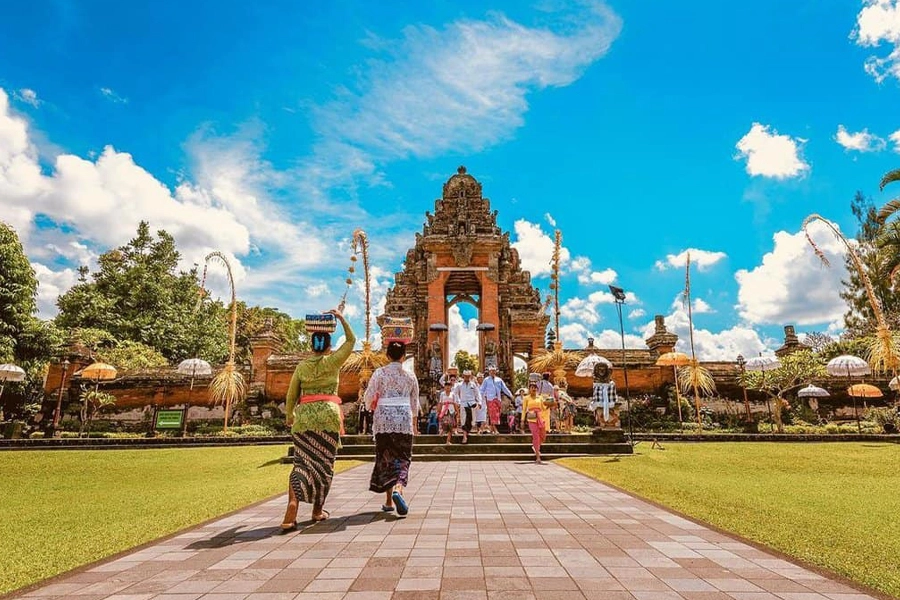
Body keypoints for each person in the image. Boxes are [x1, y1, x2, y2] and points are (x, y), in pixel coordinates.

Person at [281, 309, 354, 531]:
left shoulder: (302, 366)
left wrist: (289, 415)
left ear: (312, 346)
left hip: (304, 418)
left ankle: (292, 506)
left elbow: (291, 395)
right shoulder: (333, 362)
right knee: (324, 465)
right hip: (328, 417)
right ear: (329, 346)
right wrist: (340, 318)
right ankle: (316, 510)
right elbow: (351, 340)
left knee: (301, 463)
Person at [364, 317, 419, 516]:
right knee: (403, 458)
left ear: (387, 355)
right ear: (404, 356)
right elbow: (414, 403)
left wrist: (372, 407)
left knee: (386, 458)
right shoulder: (410, 375)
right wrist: (414, 424)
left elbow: (369, 396)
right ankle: (397, 491)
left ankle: (389, 501)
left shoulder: (379, 373)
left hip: (383, 420)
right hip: (403, 419)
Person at [480, 365, 513, 434]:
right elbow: (482, 390)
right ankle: (495, 429)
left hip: (497, 399)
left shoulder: (499, 380)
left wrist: (510, 395)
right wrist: (479, 398)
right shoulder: (486, 380)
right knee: (492, 414)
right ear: (489, 372)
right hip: (490, 399)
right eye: (491, 371)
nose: (492, 372)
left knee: (497, 414)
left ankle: (491, 429)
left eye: (494, 371)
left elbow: (504, 388)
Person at [453, 370, 482, 444]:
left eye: (468, 376)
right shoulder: (459, 385)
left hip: (472, 403)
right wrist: (458, 402)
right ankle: (464, 436)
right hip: (463, 404)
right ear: (463, 376)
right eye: (466, 376)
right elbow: (455, 393)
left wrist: (479, 402)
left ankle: (467, 433)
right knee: (464, 420)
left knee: (471, 420)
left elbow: (477, 393)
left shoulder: (473, 384)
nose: (467, 377)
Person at [521, 380, 546, 463]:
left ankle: (535, 447)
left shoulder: (540, 398)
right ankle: (538, 456)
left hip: (540, 418)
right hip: (531, 419)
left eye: (535, 387)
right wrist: (522, 420)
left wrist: (550, 405)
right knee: (536, 436)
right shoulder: (526, 398)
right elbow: (524, 410)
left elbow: (543, 408)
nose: (533, 389)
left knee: (542, 436)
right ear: (529, 389)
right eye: (532, 387)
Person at [437, 380, 459, 444]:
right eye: (446, 385)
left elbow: (455, 403)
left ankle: (448, 440)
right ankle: (442, 430)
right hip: (444, 410)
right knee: (445, 422)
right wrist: (438, 411)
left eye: (449, 386)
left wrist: (457, 411)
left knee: (451, 425)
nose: (447, 387)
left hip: (451, 410)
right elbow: (440, 403)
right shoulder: (442, 394)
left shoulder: (453, 394)